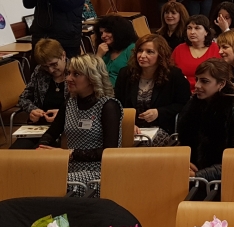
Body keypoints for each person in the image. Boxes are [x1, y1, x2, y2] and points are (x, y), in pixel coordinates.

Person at [37, 55, 123, 197]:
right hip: (68, 167)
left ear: (92, 78)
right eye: (69, 73)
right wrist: (42, 147)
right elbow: (51, 133)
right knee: (30, 177)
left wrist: (71, 154)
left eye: (76, 74)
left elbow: (109, 151)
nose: (68, 78)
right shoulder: (69, 103)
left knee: (52, 184)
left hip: (99, 171)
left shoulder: (108, 106)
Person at [177, 58, 234, 182]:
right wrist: (183, 162)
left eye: (204, 81)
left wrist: (199, 175)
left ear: (221, 84)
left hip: (223, 181)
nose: (197, 85)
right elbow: (183, 145)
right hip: (191, 177)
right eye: (197, 79)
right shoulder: (191, 106)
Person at [114, 34, 191, 145]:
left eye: (149, 52)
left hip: (161, 127)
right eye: (140, 51)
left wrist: (159, 112)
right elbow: (117, 104)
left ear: (160, 55)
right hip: (133, 127)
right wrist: (128, 124)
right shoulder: (125, 73)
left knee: (146, 144)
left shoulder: (173, 75)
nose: (142, 55)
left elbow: (184, 104)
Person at [11, 39, 70, 150]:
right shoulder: (39, 71)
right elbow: (23, 98)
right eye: (46, 66)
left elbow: (85, 105)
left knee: (40, 154)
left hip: (66, 128)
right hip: (40, 126)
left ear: (63, 55)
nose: (51, 70)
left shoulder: (75, 71)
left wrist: (63, 115)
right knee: (15, 154)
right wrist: (32, 110)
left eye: (54, 64)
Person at [171, 15, 221, 92]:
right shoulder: (179, 49)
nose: (192, 32)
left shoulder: (216, 49)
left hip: (208, 93)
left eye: (197, 28)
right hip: (182, 92)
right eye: (189, 28)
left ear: (206, 32)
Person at [94, 15, 137, 87]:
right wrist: (98, 55)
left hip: (121, 90)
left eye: (108, 31)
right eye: (101, 33)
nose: (103, 36)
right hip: (102, 88)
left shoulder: (131, 48)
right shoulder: (104, 50)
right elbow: (92, 73)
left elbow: (135, 76)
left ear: (118, 32)